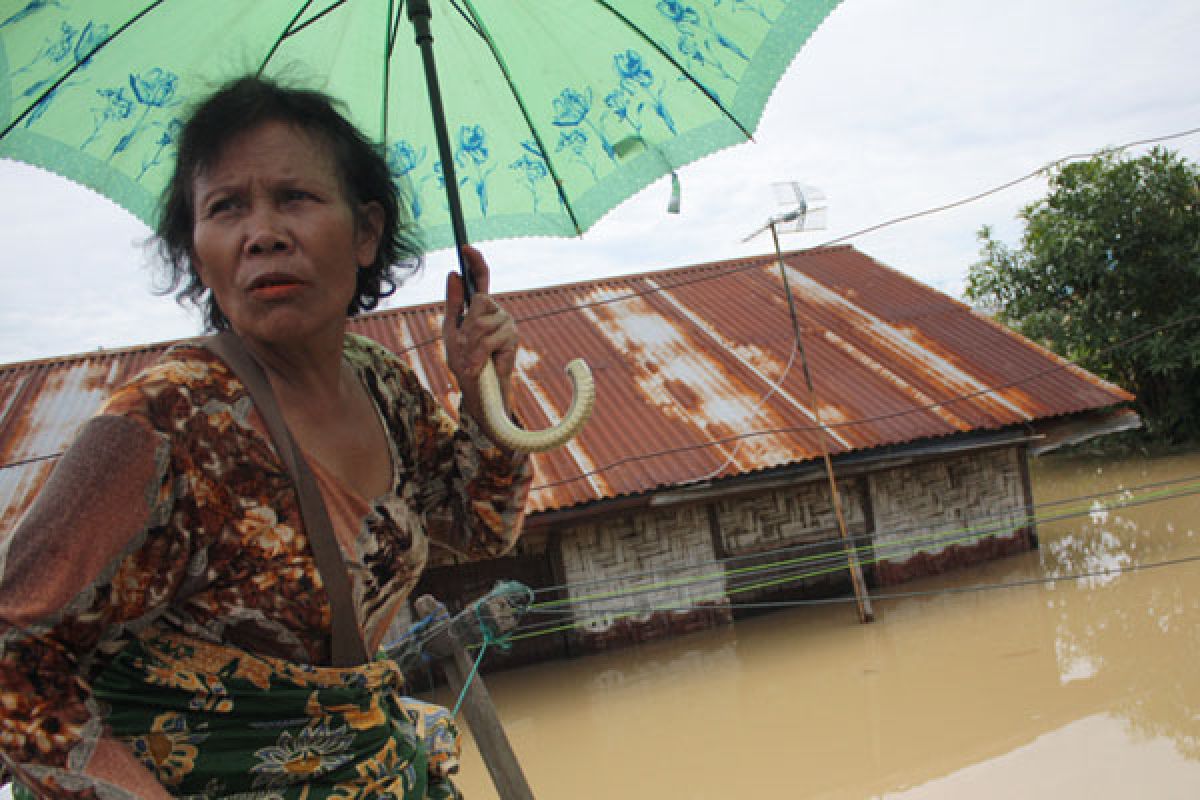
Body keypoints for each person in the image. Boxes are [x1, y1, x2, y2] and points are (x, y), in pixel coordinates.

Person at [0, 76, 532, 798]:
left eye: (295, 198)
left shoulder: (379, 383)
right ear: (197, 250)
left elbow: (481, 526)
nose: (263, 234)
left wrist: (483, 391)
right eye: (225, 207)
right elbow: (14, 653)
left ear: (367, 231)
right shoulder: (165, 422)